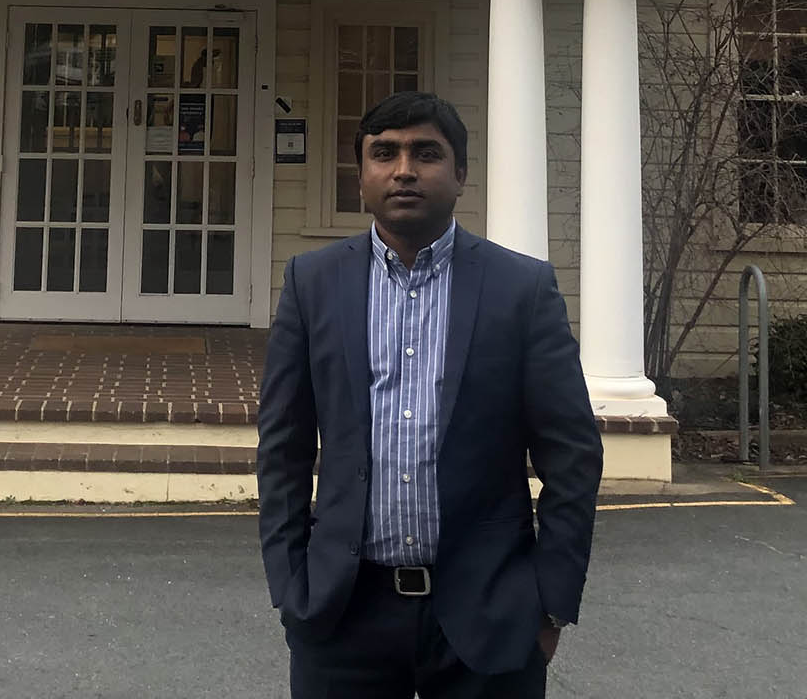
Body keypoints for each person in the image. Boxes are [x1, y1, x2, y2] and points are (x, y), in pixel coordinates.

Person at [257, 91, 603, 698]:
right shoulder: (312, 283)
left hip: (489, 611)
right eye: (383, 153)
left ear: (461, 174)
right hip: (343, 614)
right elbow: (282, 448)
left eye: (427, 154)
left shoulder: (521, 289)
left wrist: (550, 602)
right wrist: (292, 588)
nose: (404, 170)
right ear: (360, 174)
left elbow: (571, 453)